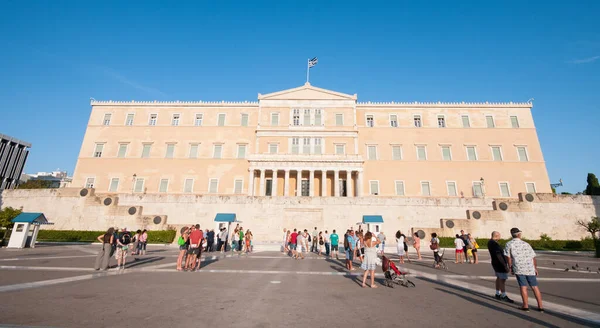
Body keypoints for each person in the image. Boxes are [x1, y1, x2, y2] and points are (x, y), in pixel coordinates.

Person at [505, 227, 543, 312]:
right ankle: (540, 306)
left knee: (523, 286)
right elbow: (533, 257)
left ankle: (525, 306)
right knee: (534, 287)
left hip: (518, 267)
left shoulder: (509, 244)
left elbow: (508, 257)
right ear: (519, 234)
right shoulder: (526, 244)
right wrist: (535, 268)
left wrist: (510, 266)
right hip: (529, 267)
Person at [488, 231, 514, 303]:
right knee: (502, 279)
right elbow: (499, 255)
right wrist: (505, 266)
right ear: (496, 236)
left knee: (499, 278)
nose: (500, 237)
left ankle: (497, 293)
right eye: (499, 236)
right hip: (499, 264)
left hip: (495, 263)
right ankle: (503, 295)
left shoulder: (490, 242)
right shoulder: (494, 244)